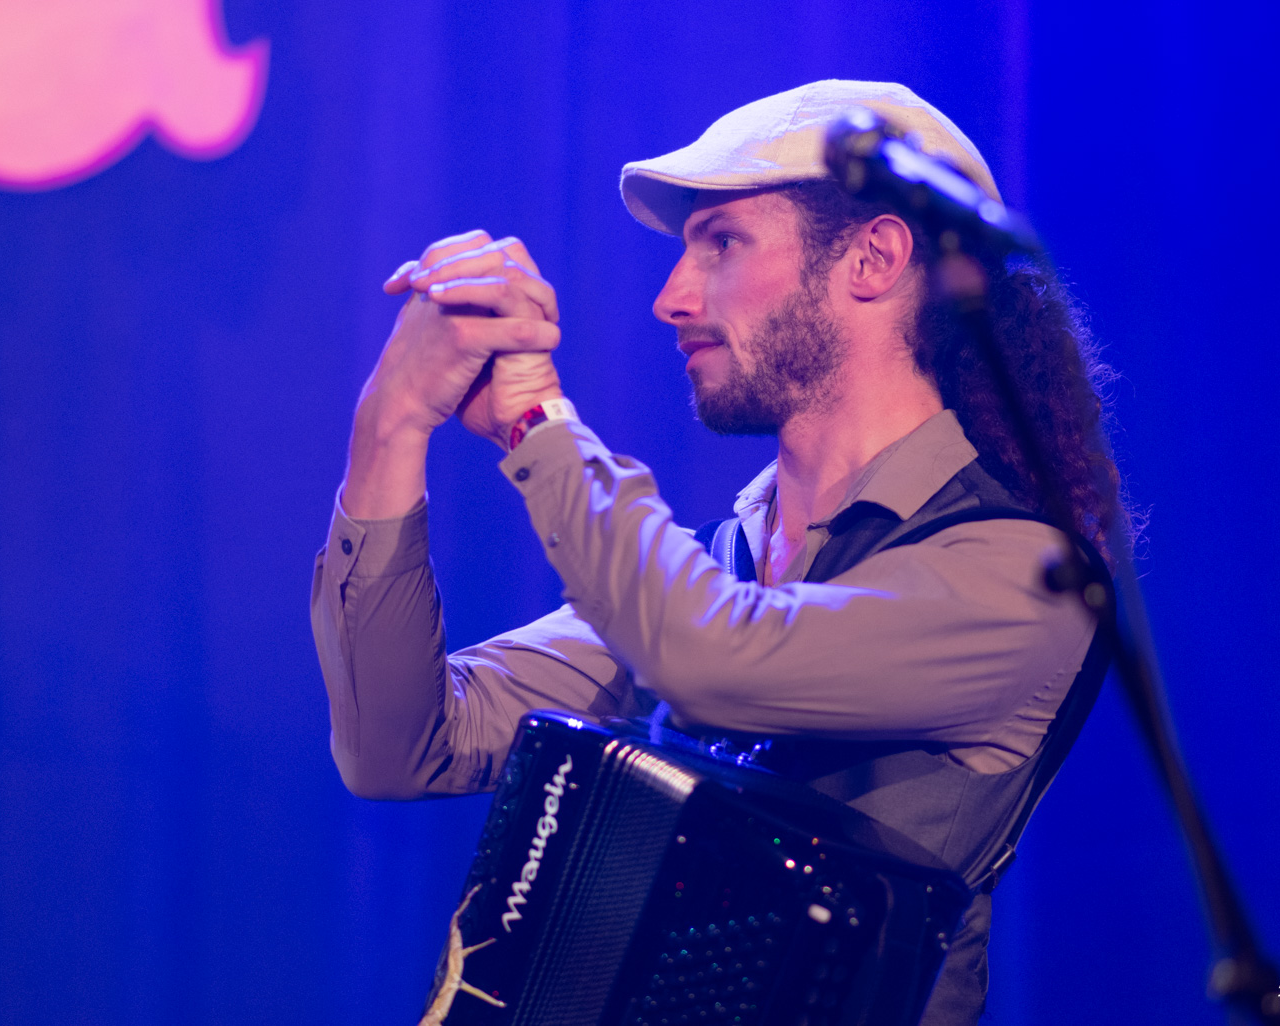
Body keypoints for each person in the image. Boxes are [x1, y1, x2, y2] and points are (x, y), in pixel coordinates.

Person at [310, 80, 1127, 1025]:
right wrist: (390, 424)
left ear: (873, 257)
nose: (671, 297)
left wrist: (536, 418)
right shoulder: (716, 568)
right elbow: (399, 747)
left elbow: (712, 660)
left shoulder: (1027, 578)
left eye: (722, 243)